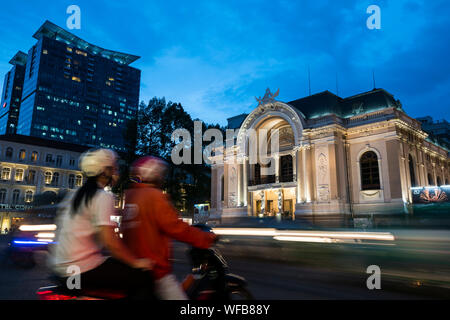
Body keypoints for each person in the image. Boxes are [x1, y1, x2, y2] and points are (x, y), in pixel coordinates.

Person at [48, 149, 155, 299]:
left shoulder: (74, 195)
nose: (117, 170)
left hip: (61, 269)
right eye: (114, 167)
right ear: (104, 171)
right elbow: (110, 242)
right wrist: (136, 262)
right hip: (81, 270)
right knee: (144, 277)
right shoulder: (103, 196)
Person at [121, 156, 217, 300]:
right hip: (154, 269)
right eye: (160, 174)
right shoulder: (154, 196)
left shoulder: (130, 195)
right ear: (154, 175)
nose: (163, 178)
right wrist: (206, 238)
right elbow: (177, 228)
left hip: (131, 266)